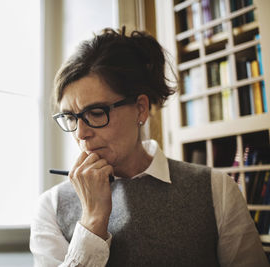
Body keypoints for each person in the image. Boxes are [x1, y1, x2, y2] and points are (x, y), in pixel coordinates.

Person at [29, 27, 268, 267]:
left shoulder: (217, 190)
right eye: (71, 117)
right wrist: (92, 222)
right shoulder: (51, 207)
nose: (81, 133)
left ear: (140, 108)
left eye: (96, 112)